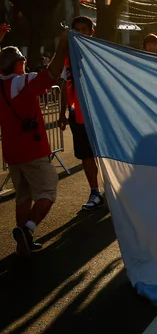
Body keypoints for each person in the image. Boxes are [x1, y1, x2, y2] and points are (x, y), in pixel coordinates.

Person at [1, 30, 69, 255]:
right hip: (32, 150)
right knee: (48, 191)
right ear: (18, 63)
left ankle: (23, 246)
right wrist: (62, 46)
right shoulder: (22, 82)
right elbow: (51, 74)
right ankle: (28, 231)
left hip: (12, 152)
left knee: (23, 197)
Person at [58, 17, 104, 211]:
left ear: (91, 31)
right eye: (76, 30)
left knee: (105, 155)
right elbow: (63, 85)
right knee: (86, 155)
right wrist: (61, 113)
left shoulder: (100, 54)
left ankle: (113, 189)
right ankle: (95, 191)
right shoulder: (67, 57)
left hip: (100, 114)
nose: (79, 33)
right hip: (78, 114)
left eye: (83, 29)